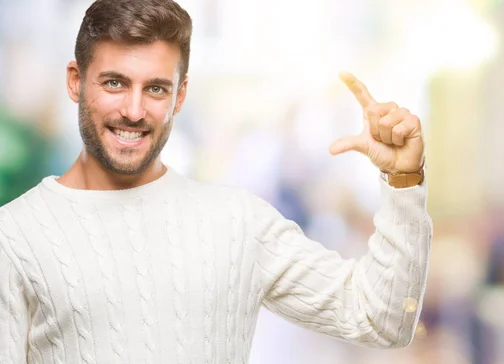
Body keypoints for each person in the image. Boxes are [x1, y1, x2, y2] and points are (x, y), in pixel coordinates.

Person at [0, 0, 432, 363]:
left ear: (179, 96)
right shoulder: (15, 236)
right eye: (114, 82)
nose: (133, 110)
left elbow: (383, 319)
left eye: (155, 89)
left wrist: (403, 181)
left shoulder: (237, 223)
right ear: (76, 81)